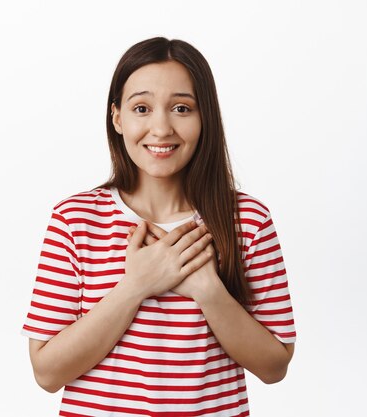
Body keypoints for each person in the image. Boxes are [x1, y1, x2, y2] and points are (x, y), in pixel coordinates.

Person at [21, 36, 296, 416]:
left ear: (206, 118)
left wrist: (208, 291)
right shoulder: (75, 220)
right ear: (117, 117)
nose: (161, 127)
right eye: (142, 108)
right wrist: (135, 286)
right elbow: (47, 372)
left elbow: (274, 365)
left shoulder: (247, 221)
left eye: (182, 108)